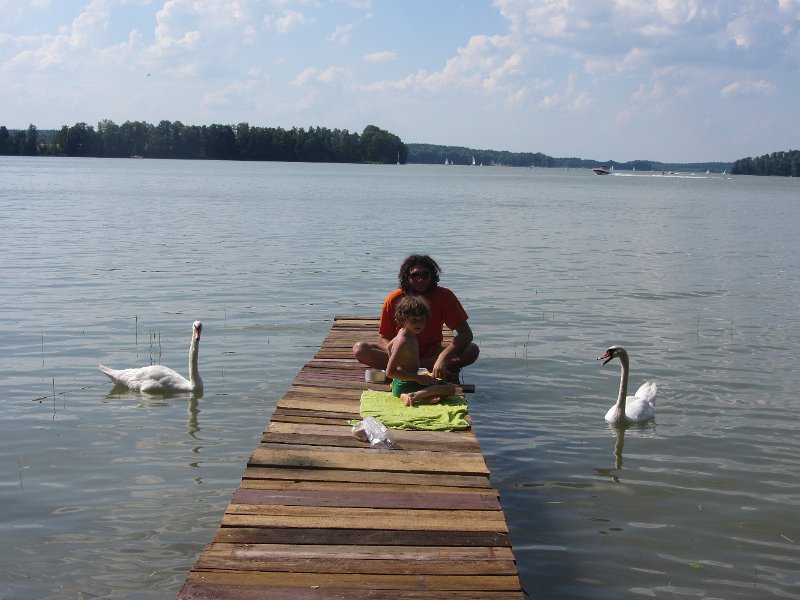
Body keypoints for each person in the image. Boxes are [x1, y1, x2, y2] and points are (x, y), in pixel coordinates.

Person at [353, 254, 479, 381]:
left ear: (432, 276)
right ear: (406, 277)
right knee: (360, 349)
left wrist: (443, 357)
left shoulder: (445, 296)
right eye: (415, 275)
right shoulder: (394, 299)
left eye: (425, 275)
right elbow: (383, 337)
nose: (420, 279)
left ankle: (417, 368)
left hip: (432, 354)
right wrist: (398, 353)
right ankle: (424, 368)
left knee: (472, 350)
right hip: (403, 353)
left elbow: (466, 334)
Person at [385, 296, 456, 406]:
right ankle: (413, 396)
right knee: (450, 389)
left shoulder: (403, 333)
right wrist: (417, 378)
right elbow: (389, 372)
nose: (419, 324)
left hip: (403, 381)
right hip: (406, 384)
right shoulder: (403, 341)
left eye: (422, 319)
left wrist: (406, 371)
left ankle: (424, 397)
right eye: (414, 320)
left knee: (437, 383)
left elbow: (389, 347)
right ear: (403, 319)